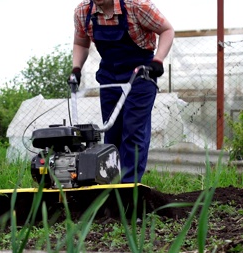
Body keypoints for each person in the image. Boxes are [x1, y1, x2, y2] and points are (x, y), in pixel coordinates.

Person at [71, 0, 174, 183]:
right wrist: (76, 68)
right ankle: (110, 183)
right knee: (112, 133)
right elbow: (81, 42)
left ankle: (128, 186)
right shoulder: (83, 11)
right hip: (110, 75)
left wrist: (158, 60)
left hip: (141, 73)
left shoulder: (137, 6)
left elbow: (167, 30)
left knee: (133, 130)